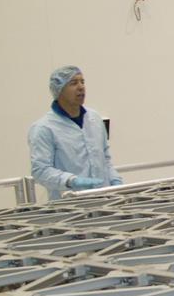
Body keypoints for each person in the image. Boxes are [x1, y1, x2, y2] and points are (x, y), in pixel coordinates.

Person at [27, 66, 123, 199]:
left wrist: (114, 180)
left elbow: (105, 157)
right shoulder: (44, 128)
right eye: (73, 83)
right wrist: (71, 180)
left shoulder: (94, 119)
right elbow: (40, 171)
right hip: (69, 205)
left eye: (82, 82)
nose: (81, 87)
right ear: (59, 90)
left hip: (104, 199)